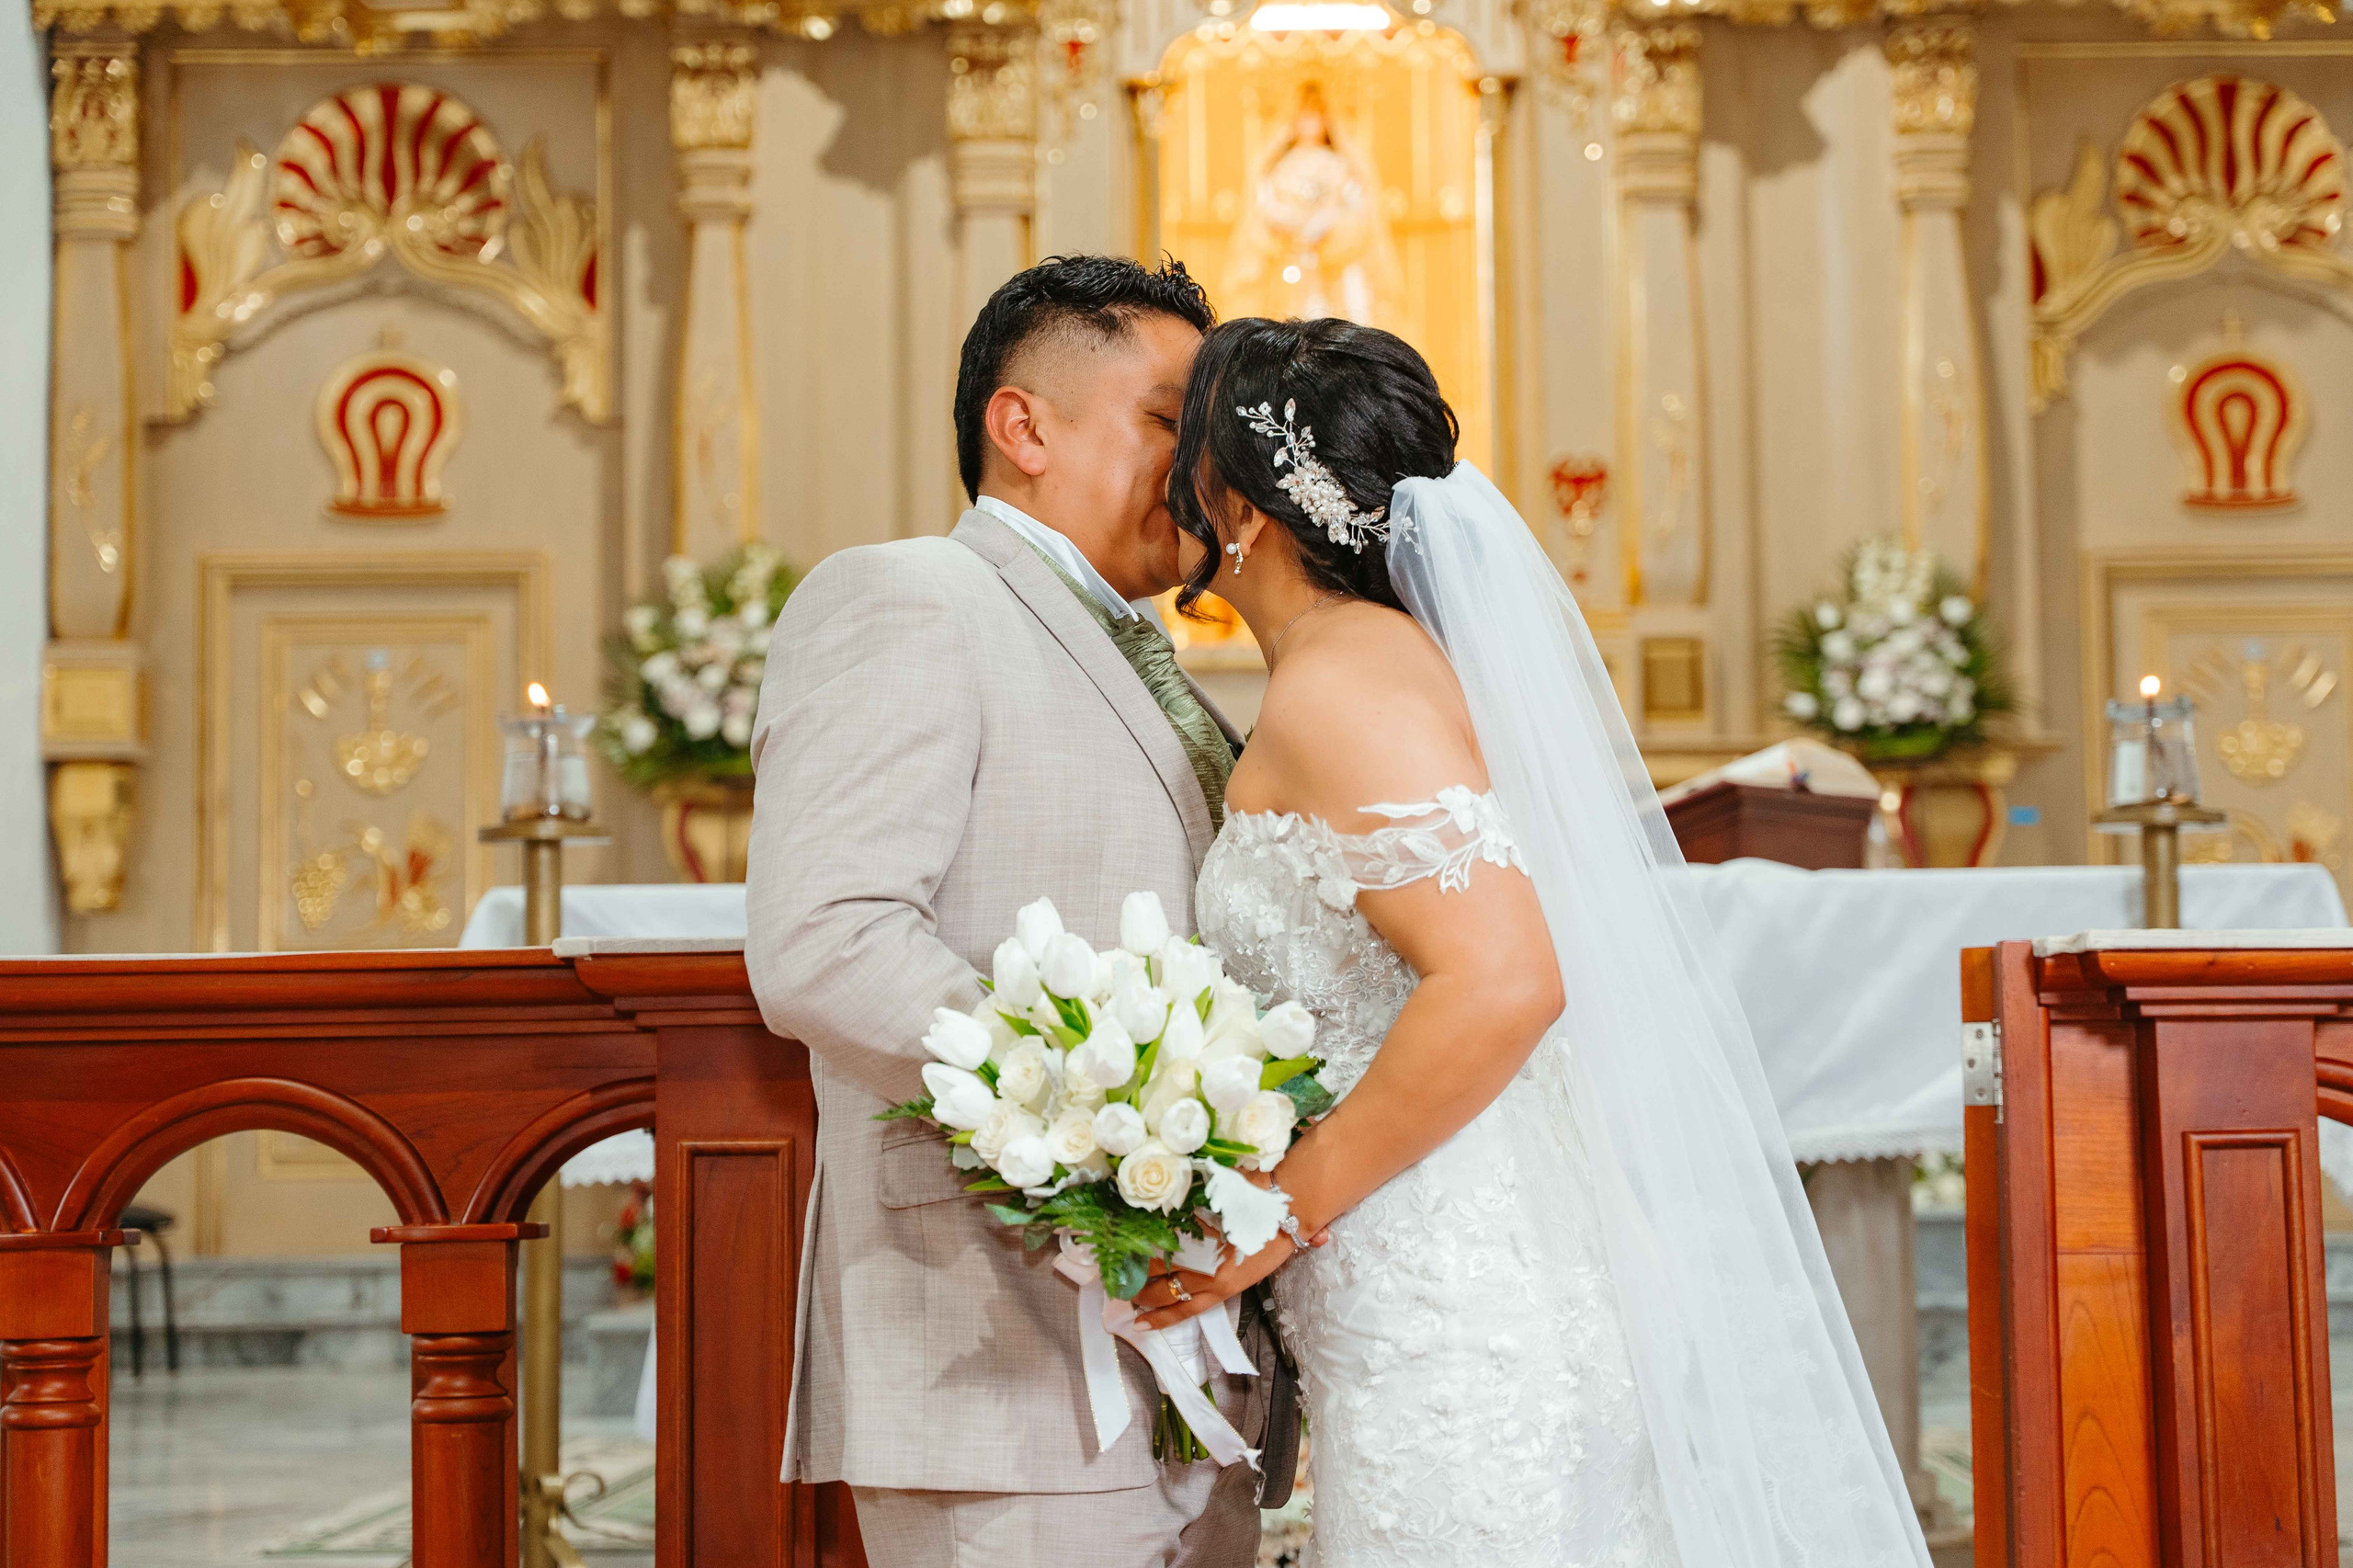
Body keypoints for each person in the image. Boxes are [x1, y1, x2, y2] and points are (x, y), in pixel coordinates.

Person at [1130, 316, 1934, 1568]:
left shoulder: (1343, 682)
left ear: (1242, 502)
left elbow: (1507, 977)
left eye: (1177, 444)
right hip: (1456, 1264)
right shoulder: (1387, 663)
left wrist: (1282, 1210)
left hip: (1454, 1309)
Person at [743, 256, 1267, 1567]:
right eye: (1167, 422)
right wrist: (1117, 1127)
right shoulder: (906, 597)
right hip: (998, 1334)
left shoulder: (1165, 661)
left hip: (1191, 1359)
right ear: (1022, 425)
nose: (1201, 470)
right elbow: (827, 940)